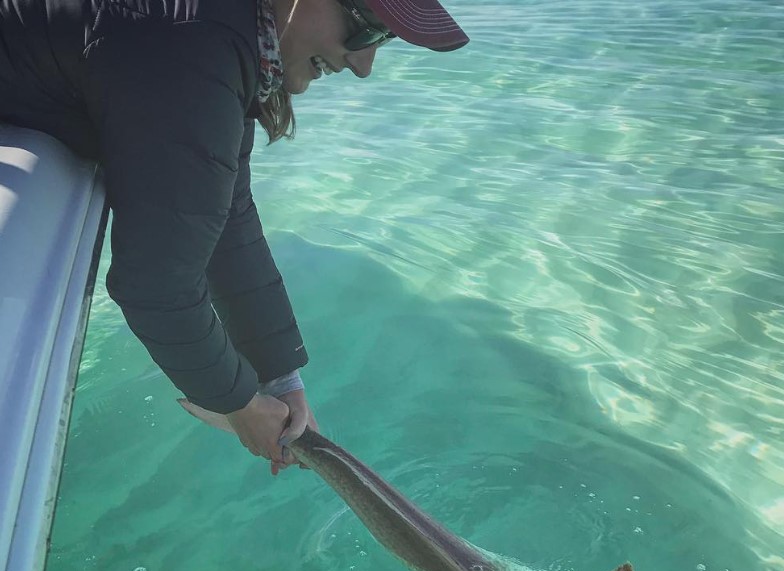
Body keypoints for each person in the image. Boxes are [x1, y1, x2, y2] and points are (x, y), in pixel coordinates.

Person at [0, 0, 468, 472]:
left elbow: (227, 213)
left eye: (382, 40)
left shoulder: (228, 34)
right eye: (365, 30)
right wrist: (239, 402)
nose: (364, 65)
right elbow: (154, 288)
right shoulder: (193, 46)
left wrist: (279, 375)